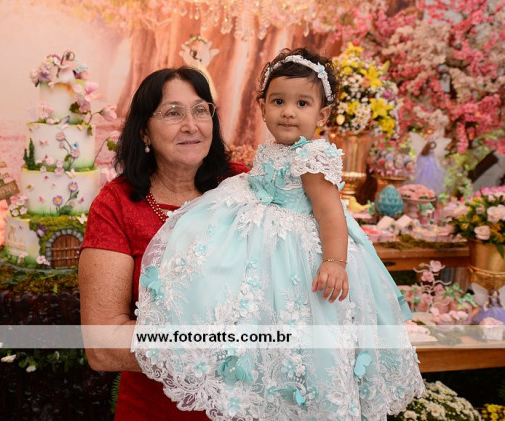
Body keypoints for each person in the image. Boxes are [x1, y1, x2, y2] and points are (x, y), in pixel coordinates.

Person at [133, 48, 425, 420]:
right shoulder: (274, 149)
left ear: (322, 115)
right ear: (262, 107)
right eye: (278, 101)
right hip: (263, 230)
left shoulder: (312, 158)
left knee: (300, 317)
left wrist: (334, 261)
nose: (288, 111)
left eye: (302, 103)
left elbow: (330, 213)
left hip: (298, 248)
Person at [78, 66, 249, 420]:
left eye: (201, 110)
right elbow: (103, 344)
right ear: (144, 130)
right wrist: (219, 346)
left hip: (246, 407)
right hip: (156, 410)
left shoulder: (244, 186)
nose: (191, 125)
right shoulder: (117, 205)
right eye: (173, 113)